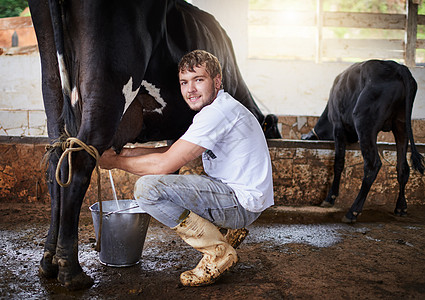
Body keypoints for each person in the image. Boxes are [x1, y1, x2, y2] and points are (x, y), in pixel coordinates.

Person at [99, 50, 274, 286]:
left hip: (240, 204)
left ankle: (218, 251)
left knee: (147, 189)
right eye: (184, 82)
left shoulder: (217, 114)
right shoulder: (220, 108)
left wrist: (114, 162)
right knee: (172, 182)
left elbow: (164, 164)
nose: (190, 89)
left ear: (217, 81)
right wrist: (123, 152)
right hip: (240, 196)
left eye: (198, 80)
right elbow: (170, 152)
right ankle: (226, 234)